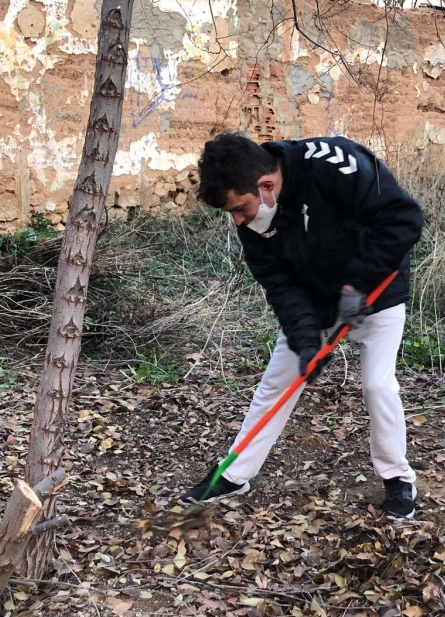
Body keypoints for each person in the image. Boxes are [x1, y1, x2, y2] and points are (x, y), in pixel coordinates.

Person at [180, 132, 424, 519]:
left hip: (377, 292)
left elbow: (402, 219)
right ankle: (234, 474)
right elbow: (280, 285)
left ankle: (397, 479)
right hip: (315, 301)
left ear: (266, 184)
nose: (238, 220)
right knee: (276, 384)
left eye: (240, 208)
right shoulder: (253, 226)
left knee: (378, 384)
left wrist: (357, 284)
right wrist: (307, 340)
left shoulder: (334, 162)